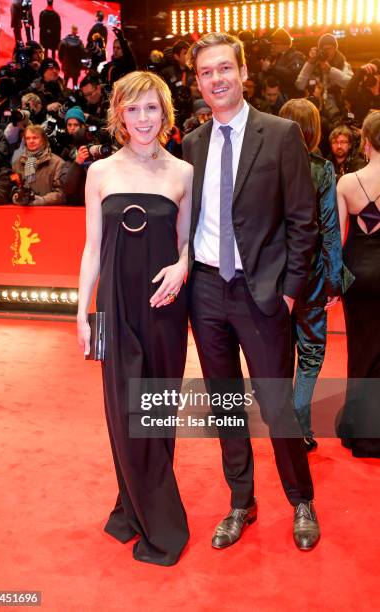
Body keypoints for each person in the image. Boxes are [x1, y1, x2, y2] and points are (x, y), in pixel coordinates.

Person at [183, 32, 320, 551]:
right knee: (224, 404)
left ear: (243, 73)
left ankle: (300, 497)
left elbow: (304, 221)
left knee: (276, 402)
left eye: (224, 68)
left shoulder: (281, 134)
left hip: (262, 293)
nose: (216, 79)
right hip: (206, 290)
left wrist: (288, 292)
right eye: (205, 72)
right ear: (196, 82)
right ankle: (241, 502)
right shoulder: (193, 141)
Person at [77, 71, 192, 565]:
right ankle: (156, 516)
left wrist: (184, 267)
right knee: (126, 412)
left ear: (164, 113)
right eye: (133, 109)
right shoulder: (100, 172)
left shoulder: (182, 173)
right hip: (116, 307)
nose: (143, 119)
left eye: (151, 108)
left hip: (166, 306)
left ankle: (136, 503)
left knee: (158, 410)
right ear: (119, 114)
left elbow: (188, 242)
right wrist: (82, 312)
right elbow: (92, 248)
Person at [279, 98, 344, 451]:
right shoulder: (322, 168)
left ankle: (282, 422)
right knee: (311, 352)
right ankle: (298, 424)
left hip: (274, 273)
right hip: (312, 274)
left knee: (278, 348)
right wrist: (335, 280)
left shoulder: (268, 165)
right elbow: (330, 229)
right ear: (315, 129)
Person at [336, 110, 380, 458]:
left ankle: (358, 430)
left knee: (360, 351)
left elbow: (335, 238)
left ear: (365, 141)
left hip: (357, 276)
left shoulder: (347, 183)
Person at [296, 34, 353, 122]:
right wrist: (310, 62)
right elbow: (300, 85)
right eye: (324, 49)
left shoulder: (343, 64)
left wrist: (330, 70)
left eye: (329, 48)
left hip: (337, 111)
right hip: (316, 110)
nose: (327, 52)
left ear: (335, 48)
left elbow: (350, 84)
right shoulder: (313, 64)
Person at [12, 124, 65, 205]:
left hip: (48, 212)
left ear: (43, 140)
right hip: (23, 212)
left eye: (35, 138)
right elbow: (12, 186)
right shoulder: (17, 163)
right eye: (28, 138)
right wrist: (15, 196)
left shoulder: (58, 163)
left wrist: (43, 200)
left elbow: (61, 193)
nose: (31, 141)